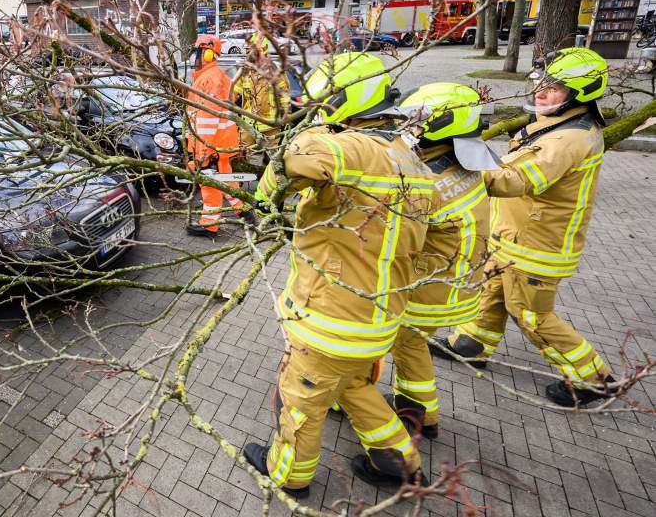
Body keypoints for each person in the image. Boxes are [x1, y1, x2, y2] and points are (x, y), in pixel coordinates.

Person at [243, 52, 432, 494]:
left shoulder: (352, 147)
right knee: (356, 389)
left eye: (322, 105)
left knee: (301, 403)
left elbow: (298, 159)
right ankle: (397, 464)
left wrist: (266, 193)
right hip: (377, 318)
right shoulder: (410, 161)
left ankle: (288, 475)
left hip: (331, 319)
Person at [431, 47, 614, 407]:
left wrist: (457, 170)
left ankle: (591, 378)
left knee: (532, 315)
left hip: (538, 246)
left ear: (580, 94)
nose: (541, 92)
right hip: (514, 238)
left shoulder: (568, 139)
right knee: (492, 291)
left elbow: (515, 178)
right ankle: (472, 343)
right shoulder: (562, 123)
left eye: (555, 87)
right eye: (540, 83)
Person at [387, 83, 498, 439]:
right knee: (413, 345)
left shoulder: (427, 185)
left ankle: (417, 417)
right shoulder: (462, 165)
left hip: (431, 288)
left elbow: (397, 240)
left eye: (416, 124)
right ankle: (421, 410)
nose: (408, 130)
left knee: (405, 344)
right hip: (457, 280)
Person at [186, 34, 255, 237]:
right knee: (227, 182)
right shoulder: (214, 77)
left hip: (211, 147)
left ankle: (210, 225)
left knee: (210, 186)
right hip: (220, 145)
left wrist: (203, 153)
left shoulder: (210, 79)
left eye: (196, 53)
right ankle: (244, 211)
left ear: (207, 54)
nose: (193, 59)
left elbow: (207, 120)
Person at [232, 34, 290, 160]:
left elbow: (284, 97)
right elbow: (234, 93)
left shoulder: (275, 72)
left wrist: (285, 118)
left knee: (273, 161)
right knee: (246, 160)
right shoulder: (245, 72)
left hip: (270, 126)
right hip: (248, 125)